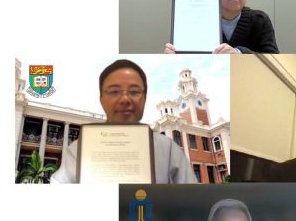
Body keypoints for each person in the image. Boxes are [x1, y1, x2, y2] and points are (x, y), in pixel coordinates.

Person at [50, 60, 197, 184]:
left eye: (134, 92)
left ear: (144, 98)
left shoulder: (167, 148)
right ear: (101, 99)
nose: (125, 99)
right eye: (114, 92)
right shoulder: (78, 150)